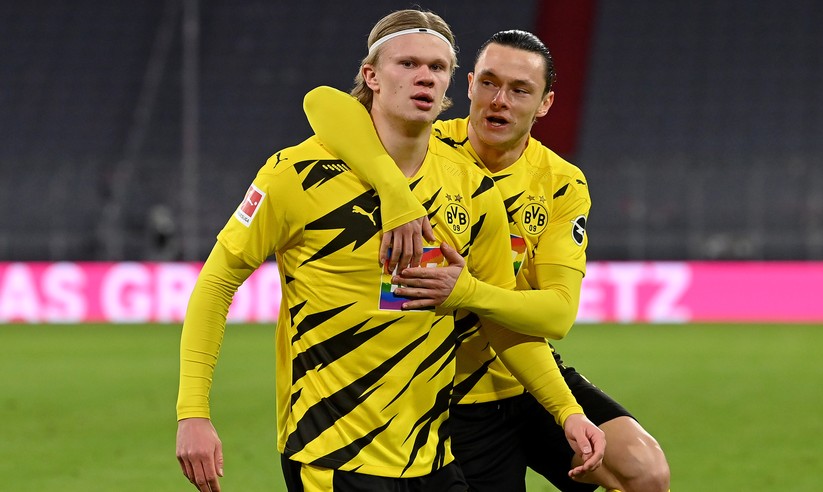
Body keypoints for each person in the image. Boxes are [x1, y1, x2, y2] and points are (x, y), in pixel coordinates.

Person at [175, 11, 605, 492]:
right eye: (408, 63)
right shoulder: (295, 175)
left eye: (438, 67)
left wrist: (566, 411)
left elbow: (499, 320)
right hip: (332, 458)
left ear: (449, 88)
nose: (425, 75)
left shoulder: (473, 189)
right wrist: (193, 411)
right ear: (371, 76)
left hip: (434, 459)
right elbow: (216, 283)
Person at [303, 30, 671, 492]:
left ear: (545, 104)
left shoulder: (560, 183)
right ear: (470, 85)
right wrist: (394, 189)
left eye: (520, 91)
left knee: (646, 473)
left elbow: (557, 313)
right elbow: (323, 106)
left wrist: (467, 292)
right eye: (490, 84)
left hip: (525, 371)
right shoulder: (422, 150)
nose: (500, 101)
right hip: (447, 393)